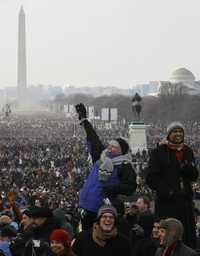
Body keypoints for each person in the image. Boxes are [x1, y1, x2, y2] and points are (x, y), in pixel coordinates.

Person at [75, 103, 137, 230]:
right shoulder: (101, 156)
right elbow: (94, 139)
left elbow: (130, 187)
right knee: (85, 235)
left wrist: (112, 189)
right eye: (110, 145)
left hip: (103, 208)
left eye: (114, 146)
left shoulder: (124, 166)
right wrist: (84, 120)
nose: (110, 147)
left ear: (122, 151)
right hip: (87, 204)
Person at [146, 121, 199, 249]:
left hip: (185, 203)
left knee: (185, 239)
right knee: (167, 238)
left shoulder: (188, 151)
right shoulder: (158, 152)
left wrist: (188, 168)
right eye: (175, 131)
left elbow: (193, 176)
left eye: (181, 131)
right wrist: (168, 191)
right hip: (166, 203)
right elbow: (151, 178)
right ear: (169, 134)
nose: (178, 134)